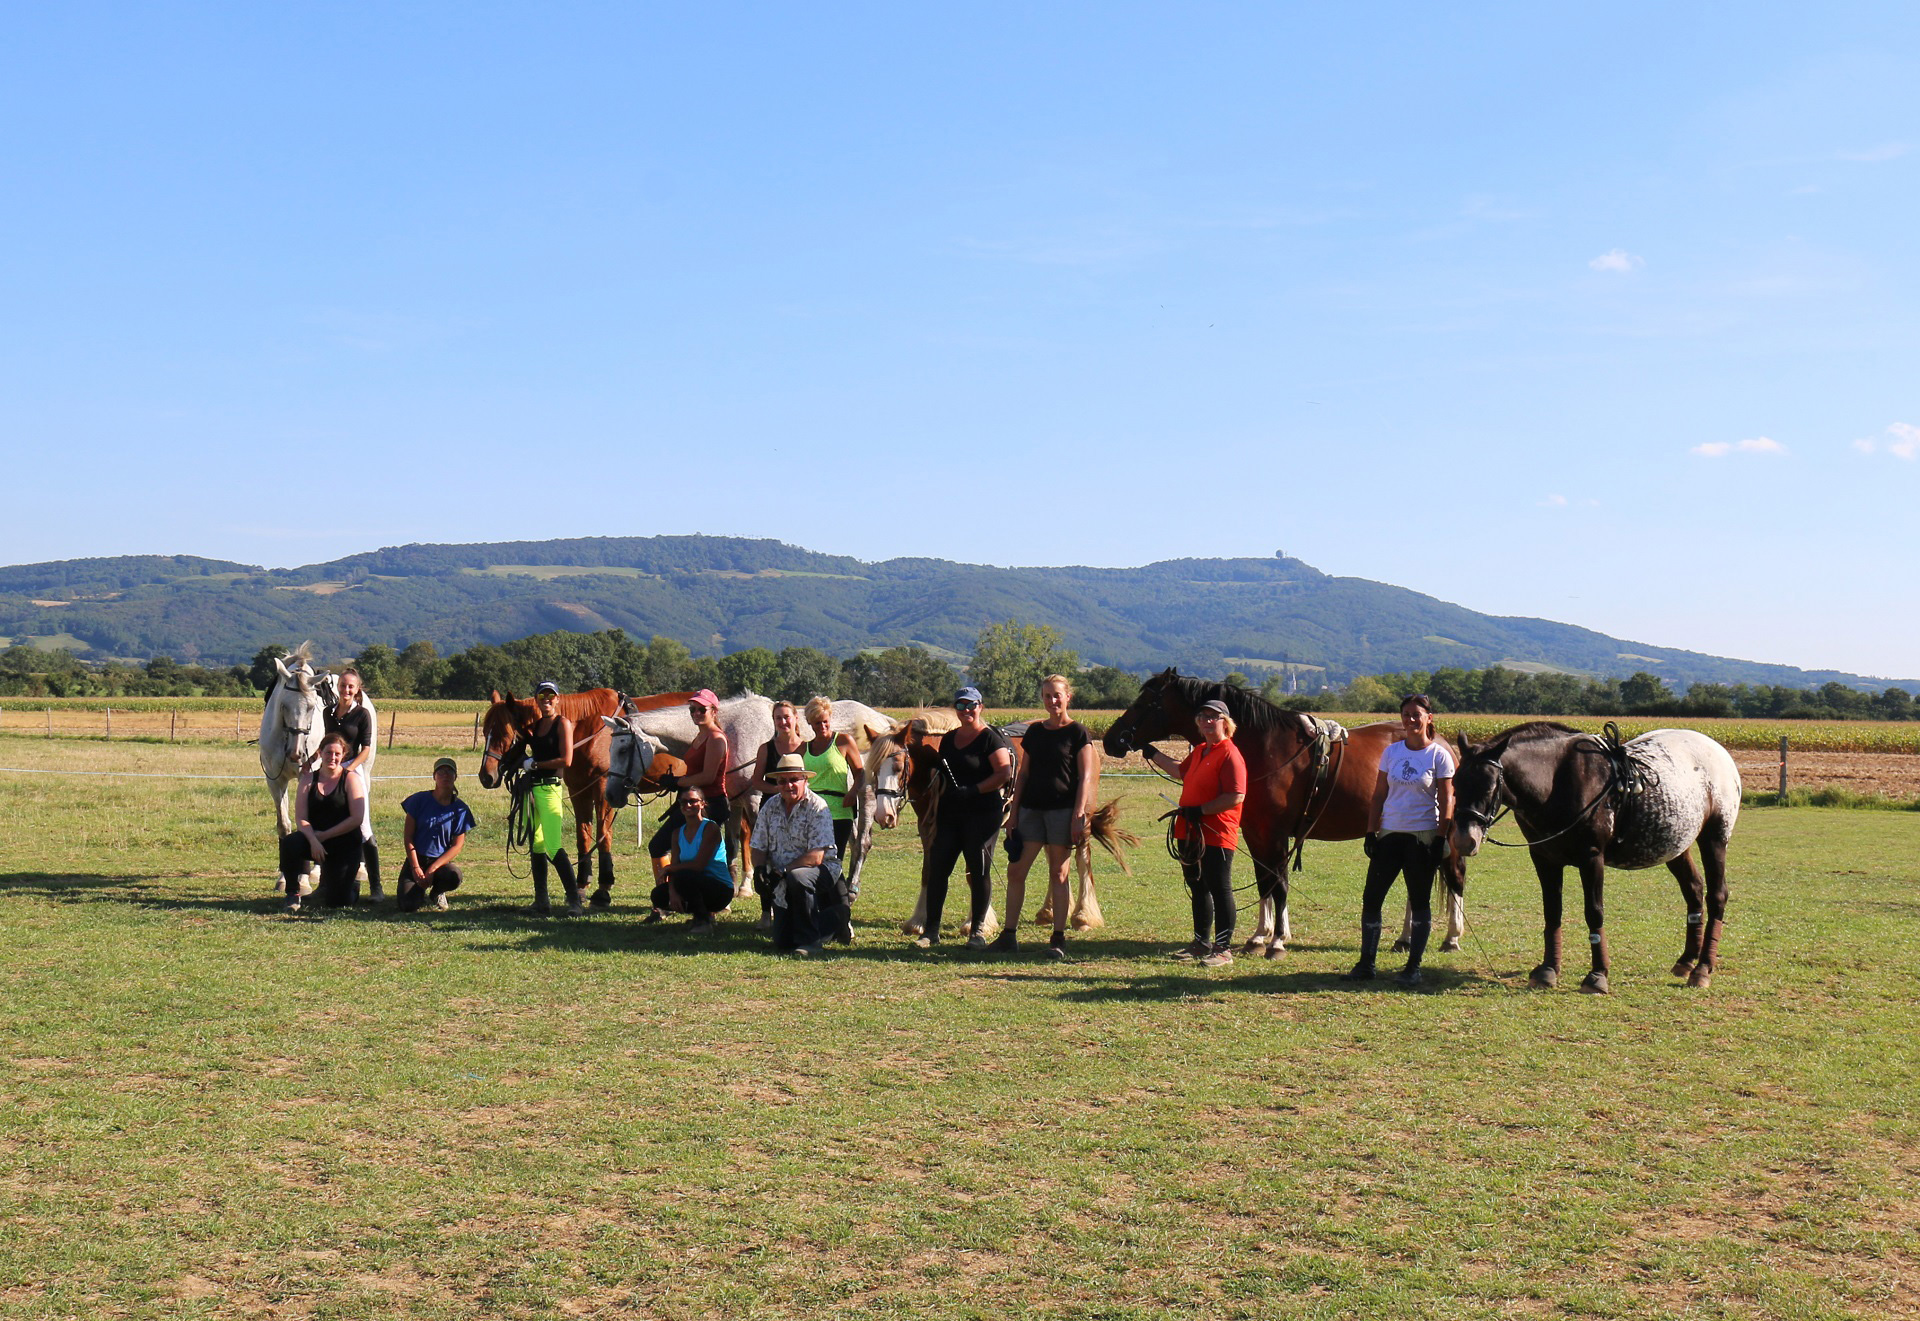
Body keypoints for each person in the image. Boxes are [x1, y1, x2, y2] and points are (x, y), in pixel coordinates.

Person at [1349, 692, 1455, 987]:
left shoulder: (1439, 756)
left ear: (1428, 718)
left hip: (1421, 837)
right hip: (1390, 834)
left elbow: (1448, 800)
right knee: (1371, 898)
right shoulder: (1392, 753)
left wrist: (1440, 837)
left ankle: (1413, 967)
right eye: (1405, 714)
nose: (1410, 720)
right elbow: (1379, 794)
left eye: (1416, 715)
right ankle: (1366, 962)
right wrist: (1371, 831)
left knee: (1419, 900)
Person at [993, 674, 1094, 960]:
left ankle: (1058, 939)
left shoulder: (1078, 733)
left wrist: (1078, 813)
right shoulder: (1035, 732)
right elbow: (1024, 774)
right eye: (1047, 696)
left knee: (1058, 873)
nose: (1052, 701)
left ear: (1068, 697)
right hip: (1031, 811)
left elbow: (1085, 777)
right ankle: (1008, 935)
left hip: (1062, 811)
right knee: (1016, 871)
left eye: (1057, 695)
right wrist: (1013, 812)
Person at [1141, 698, 1247, 968]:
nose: (1207, 721)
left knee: (1219, 888)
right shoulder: (1201, 750)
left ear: (1226, 722)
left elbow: (1236, 795)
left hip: (1216, 831)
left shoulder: (1230, 754)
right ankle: (1201, 942)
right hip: (1189, 831)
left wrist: (1201, 810)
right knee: (1198, 886)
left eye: (1213, 717)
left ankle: (1223, 949)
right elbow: (1179, 770)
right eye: (1203, 717)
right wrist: (1150, 752)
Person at [918, 686, 1013, 951]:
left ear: (981, 706)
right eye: (960, 706)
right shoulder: (949, 739)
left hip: (983, 814)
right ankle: (931, 931)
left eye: (971, 705)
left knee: (978, 869)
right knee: (938, 869)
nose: (966, 711)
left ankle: (978, 931)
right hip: (950, 813)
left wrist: (974, 790)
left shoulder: (990, 739)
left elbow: (1002, 774)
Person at [750, 753, 845, 957]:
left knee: (798, 877)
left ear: (805, 780)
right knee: (783, 942)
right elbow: (757, 844)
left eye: (794, 779)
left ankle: (810, 942)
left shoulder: (818, 807)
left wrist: (782, 871)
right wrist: (759, 870)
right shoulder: (770, 807)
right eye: (783, 781)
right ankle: (835, 918)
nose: (788, 785)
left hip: (820, 870)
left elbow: (816, 856)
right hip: (781, 875)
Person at [278, 731, 366, 914]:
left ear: (343, 755)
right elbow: (301, 817)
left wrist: (324, 836)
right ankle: (293, 893)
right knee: (290, 843)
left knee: (338, 902)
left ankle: (352, 887)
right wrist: (313, 840)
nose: (332, 757)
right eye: (328, 753)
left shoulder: (351, 779)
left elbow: (356, 818)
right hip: (314, 839)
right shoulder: (309, 779)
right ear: (321, 753)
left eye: (337, 754)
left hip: (344, 843)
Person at [649, 689, 731, 884]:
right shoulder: (700, 736)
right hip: (693, 801)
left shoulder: (716, 739)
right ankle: (669, 893)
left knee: (684, 853)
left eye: (701, 709)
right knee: (662, 846)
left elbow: (708, 777)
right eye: (692, 709)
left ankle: (677, 895)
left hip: (710, 803)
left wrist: (677, 782)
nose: (696, 713)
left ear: (714, 711)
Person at [802, 695, 866, 941]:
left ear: (831, 719)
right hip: (812, 811)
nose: (822, 726)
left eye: (825, 721)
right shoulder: (805, 748)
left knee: (832, 863)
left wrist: (852, 792)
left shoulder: (843, 741)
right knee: (816, 865)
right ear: (810, 723)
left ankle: (842, 919)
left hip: (839, 810)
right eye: (817, 723)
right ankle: (830, 920)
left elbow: (860, 773)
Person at [521, 680, 584, 916]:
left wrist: (534, 764)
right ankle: (541, 900)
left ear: (557, 699)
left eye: (550, 696)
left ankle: (574, 900)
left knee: (553, 846)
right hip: (533, 788)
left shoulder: (562, 724)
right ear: (536, 700)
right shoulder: (536, 726)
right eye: (542, 696)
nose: (546, 700)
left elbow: (566, 760)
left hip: (549, 788)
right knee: (536, 845)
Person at [323, 666, 383, 902]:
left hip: (351, 769)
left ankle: (376, 887)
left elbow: (366, 749)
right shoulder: (328, 712)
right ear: (338, 688)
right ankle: (326, 883)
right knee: (327, 822)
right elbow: (325, 743)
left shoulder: (362, 714)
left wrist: (347, 769)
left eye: (351, 686)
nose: (346, 689)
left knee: (363, 826)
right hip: (330, 768)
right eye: (343, 685)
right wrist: (311, 762)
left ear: (357, 689)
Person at [745, 699, 807, 926]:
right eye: (778, 718)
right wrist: (779, 791)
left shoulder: (805, 747)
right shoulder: (766, 748)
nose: (782, 722)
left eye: (786, 717)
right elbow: (756, 781)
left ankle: (796, 907)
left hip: (800, 811)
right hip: (771, 809)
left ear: (795, 719)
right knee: (767, 857)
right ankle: (765, 912)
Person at [646, 786, 735, 932]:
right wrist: (672, 891)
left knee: (685, 875)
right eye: (683, 802)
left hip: (719, 889)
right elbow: (675, 864)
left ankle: (703, 921)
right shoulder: (677, 833)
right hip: (691, 881)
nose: (687, 805)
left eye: (693, 801)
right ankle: (699, 914)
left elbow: (699, 865)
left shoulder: (710, 828)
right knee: (659, 895)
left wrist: (669, 868)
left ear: (702, 803)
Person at [397, 756, 477, 913]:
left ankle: (437, 892)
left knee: (454, 876)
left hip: (440, 862)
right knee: (408, 906)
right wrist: (415, 868)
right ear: (434, 776)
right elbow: (408, 837)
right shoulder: (418, 800)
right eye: (441, 772)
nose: (445, 775)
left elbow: (457, 845)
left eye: (449, 772)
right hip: (417, 858)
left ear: (456, 777)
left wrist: (433, 868)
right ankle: (419, 889)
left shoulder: (460, 809)